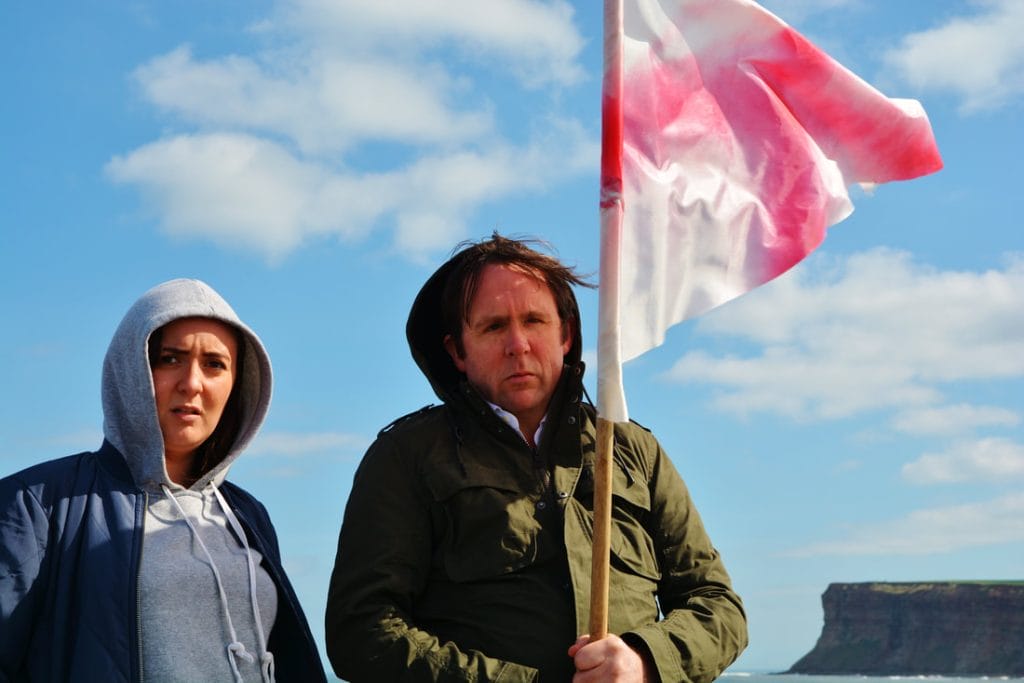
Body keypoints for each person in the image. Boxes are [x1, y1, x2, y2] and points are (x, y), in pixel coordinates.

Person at [326, 234, 747, 682]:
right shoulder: (406, 457)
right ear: (457, 352)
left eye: (534, 321)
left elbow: (719, 607)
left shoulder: (634, 452)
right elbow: (362, 631)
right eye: (493, 327)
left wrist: (644, 661)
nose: (518, 345)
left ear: (565, 334)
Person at [0, 278, 326, 682]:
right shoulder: (36, 504)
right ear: (130, 369)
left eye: (214, 364)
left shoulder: (247, 514)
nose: (192, 383)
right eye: (170, 358)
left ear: (236, 386)